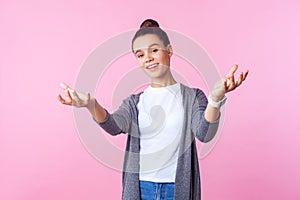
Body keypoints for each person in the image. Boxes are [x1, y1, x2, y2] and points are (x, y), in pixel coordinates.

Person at [57, 19, 248, 200]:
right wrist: (91, 105)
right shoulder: (134, 102)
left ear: (169, 50)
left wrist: (215, 99)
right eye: (140, 54)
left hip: (176, 188)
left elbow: (204, 134)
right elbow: (114, 126)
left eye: (154, 50)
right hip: (141, 187)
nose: (148, 58)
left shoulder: (192, 97)